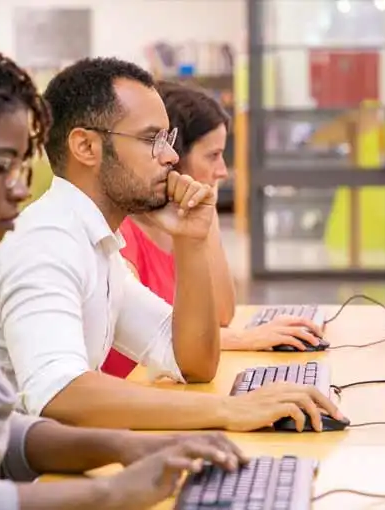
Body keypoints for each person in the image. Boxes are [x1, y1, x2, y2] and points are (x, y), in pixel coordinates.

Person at [0, 12, 247, 510]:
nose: (20, 187)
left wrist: (130, 446)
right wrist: (110, 489)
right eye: (2, 166)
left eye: (21, 165)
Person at [0, 56, 346, 431]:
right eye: (151, 139)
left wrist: (191, 241)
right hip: (10, 483)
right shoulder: (46, 241)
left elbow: (193, 361)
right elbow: (59, 395)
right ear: (86, 147)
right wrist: (229, 410)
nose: (171, 156)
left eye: (167, 139)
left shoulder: (98, 244)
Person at [102, 80, 324, 378]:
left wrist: (209, 217)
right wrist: (247, 339)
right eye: (212, 156)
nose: (222, 170)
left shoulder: (176, 232)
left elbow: (222, 314)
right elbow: (157, 341)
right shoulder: (123, 237)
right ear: (175, 160)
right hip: (137, 395)